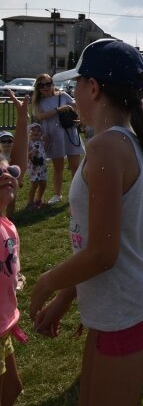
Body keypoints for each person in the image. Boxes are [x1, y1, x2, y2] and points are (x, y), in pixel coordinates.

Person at [29, 39, 143, 405]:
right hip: (120, 304)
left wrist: (46, 283)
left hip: (130, 308)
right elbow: (107, 242)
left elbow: (103, 254)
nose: (71, 93)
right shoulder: (122, 140)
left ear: (93, 88)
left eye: (75, 84)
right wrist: (66, 299)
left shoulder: (108, 147)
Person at [32, 73, 83, 205]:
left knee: (75, 166)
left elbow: (77, 107)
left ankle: (77, 194)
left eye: (48, 84)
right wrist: (59, 109)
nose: (45, 87)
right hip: (53, 135)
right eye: (42, 85)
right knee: (58, 167)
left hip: (69, 132)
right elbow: (40, 116)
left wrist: (79, 119)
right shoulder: (38, 102)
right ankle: (57, 194)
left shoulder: (62, 95)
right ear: (38, 87)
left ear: (53, 84)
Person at [0, 159, 24, 406]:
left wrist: (15, 279)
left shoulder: (7, 224)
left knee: (12, 388)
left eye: (10, 171)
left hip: (4, 323)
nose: (7, 175)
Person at [26, 123, 47, 210]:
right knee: (34, 184)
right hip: (33, 167)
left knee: (43, 183)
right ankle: (30, 202)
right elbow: (26, 154)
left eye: (38, 130)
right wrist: (31, 153)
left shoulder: (42, 142)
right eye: (33, 130)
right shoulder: (29, 143)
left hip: (42, 166)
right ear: (29, 133)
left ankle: (38, 199)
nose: (36, 132)